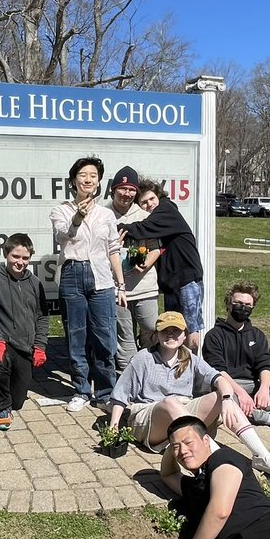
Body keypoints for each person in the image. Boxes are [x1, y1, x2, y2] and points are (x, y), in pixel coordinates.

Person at [107, 312, 270, 480]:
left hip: (182, 413)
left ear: (184, 335)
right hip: (148, 418)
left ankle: (263, 456)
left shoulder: (190, 358)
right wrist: (114, 427)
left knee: (219, 395)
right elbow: (120, 395)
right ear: (156, 335)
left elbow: (218, 378)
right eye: (165, 331)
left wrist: (227, 400)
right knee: (170, 402)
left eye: (176, 331)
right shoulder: (143, 358)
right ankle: (218, 462)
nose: (170, 335)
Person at [51, 155, 126, 412]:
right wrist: (77, 218)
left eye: (93, 176)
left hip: (102, 278)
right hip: (73, 273)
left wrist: (121, 284)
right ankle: (81, 390)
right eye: (83, 175)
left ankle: (105, 392)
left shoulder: (106, 214)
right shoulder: (61, 210)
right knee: (76, 335)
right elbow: (64, 236)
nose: (88, 179)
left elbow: (113, 250)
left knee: (105, 336)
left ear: (98, 183)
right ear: (74, 180)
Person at [117, 180, 204, 352]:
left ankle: (194, 369)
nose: (149, 204)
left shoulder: (167, 209)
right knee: (174, 329)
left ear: (159, 196)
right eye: (144, 202)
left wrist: (117, 228)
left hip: (187, 279)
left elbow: (144, 228)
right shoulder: (158, 217)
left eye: (151, 199)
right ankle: (177, 367)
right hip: (171, 284)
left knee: (191, 330)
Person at [202, 281, 270, 429]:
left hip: (251, 385)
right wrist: (241, 393)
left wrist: (263, 389)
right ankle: (264, 417)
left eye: (248, 305)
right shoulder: (214, 335)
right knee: (221, 400)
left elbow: (264, 366)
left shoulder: (257, 335)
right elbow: (218, 371)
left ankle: (244, 411)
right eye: (238, 303)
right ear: (228, 305)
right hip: (226, 385)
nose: (243, 308)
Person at [0, 233, 50, 431]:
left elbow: (42, 317)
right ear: (6, 254)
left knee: (18, 401)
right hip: (1, 344)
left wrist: (40, 346)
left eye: (25, 258)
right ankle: (2, 408)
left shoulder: (35, 283)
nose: (20, 262)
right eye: (15, 257)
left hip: (24, 347)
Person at [103, 166, 161, 372]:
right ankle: (129, 376)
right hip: (117, 288)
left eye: (131, 189)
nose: (127, 194)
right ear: (113, 189)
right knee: (124, 333)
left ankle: (153, 371)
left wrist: (146, 263)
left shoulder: (144, 213)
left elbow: (156, 247)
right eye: (122, 188)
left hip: (145, 284)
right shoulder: (102, 214)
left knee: (151, 328)